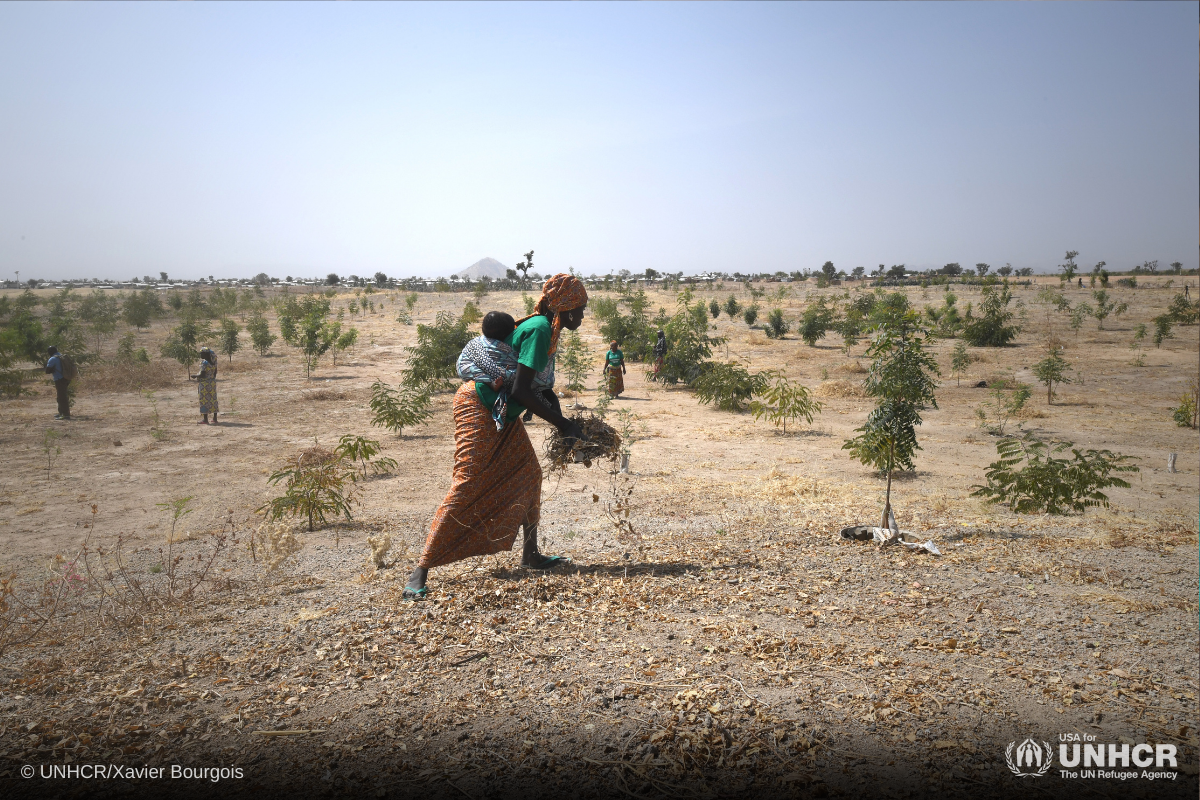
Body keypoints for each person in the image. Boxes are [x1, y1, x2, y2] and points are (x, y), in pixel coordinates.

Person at [404, 274, 589, 600]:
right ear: (567, 308)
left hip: (500, 410)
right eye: (581, 309)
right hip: (479, 404)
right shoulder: (540, 329)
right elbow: (520, 388)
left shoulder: (542, 326)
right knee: (468, 481)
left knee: (529, 473)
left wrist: (559, 415)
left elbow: (533, 386)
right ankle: (421, 569)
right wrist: (563, 425)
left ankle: (530, 555)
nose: (583, 316)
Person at [457, 312, 519, 429]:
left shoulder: (476, 343)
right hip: (492, 399)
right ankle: (492, 382)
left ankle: (489, 382)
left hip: (467, 394)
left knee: (471, 368)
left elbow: (462, 363)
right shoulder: (509, 348)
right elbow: (522, 373)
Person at [190, 348, 219, 424]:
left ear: (206, 354)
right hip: (212, 383)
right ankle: (215, 418)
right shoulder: (213, 363)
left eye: (202, 353)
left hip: (204, 384)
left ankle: (205, 419)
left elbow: (202, 374)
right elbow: (215, 373)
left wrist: (195, 376)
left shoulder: (204, 363)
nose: (201, 355)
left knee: (204, 400)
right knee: (213, 399)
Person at [44, 346, 70, 420]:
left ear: (50, 352)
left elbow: (47, 371)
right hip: (66, 378)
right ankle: (61, 413)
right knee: (61, 396)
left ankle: (65, 415)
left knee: (62, 397)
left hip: (59, 379)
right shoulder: (61, 356)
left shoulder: (53, 359)